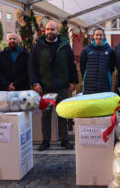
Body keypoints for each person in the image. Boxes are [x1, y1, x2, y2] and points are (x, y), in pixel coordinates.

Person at [29, 21, 78, 151]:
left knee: (63, 114)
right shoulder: (38, 47)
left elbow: (72, 65)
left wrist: (73, 82)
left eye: (52, 29)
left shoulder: (65, 46)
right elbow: (32, 66)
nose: (50, 32)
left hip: (62, 85)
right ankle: (46, 141)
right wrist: (35, 82)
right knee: (46, 114)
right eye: (48, 29)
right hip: (45, 86)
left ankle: (64, 140)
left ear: (57, 31)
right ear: (44, 31)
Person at [80, 28, 115, 94]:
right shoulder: (86, 50)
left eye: (100, 35)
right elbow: (82, 68)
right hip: (89, 86)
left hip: (104, 85)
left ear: (104, 36)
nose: (98, 37)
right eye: (97, 35)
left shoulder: (110, 51)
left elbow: (111, 67)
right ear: (93, 36)